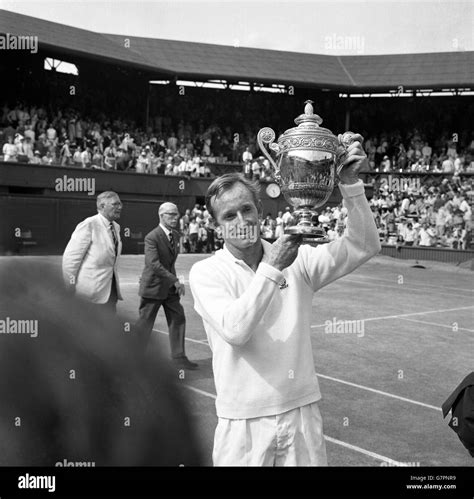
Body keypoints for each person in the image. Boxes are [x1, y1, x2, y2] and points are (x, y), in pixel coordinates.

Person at [189, 134, 381, 466]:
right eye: (229, 216)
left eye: (246, 209)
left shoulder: (300, 260)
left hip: (301, 414)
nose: (241, 221)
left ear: (259, 210)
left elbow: (364, 244)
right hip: (242, 422)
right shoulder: (206, 273)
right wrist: (273, 265)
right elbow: (236, 330)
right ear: (216, 225)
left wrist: (349, 183)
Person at [0, 259, 203, 466]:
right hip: (88, 299)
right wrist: (67, 300)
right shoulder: (90, 226)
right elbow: (72, 258)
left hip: (103, 301)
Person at [135, 202, 198, 370]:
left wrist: (175, 282)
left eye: (176, 214)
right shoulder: (152, 237)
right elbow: (153, 264)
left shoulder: (175, 235)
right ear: (161, 216)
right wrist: (175, 280)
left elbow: (170, 263)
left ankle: (179, 357)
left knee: (178, 318)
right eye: (171, 214)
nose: (176, 217)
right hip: (153, 287)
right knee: (145, 323)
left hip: (169, 288)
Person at [62, 191, 123, 313]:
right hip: (89, 296)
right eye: (115, 204)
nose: (120, 207)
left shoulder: (116, 227)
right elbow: (71, 260)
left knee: (109, 330)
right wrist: (69, 288)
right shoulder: (89, 225)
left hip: (110, 293)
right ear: (102, 206)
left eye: (120, 204)